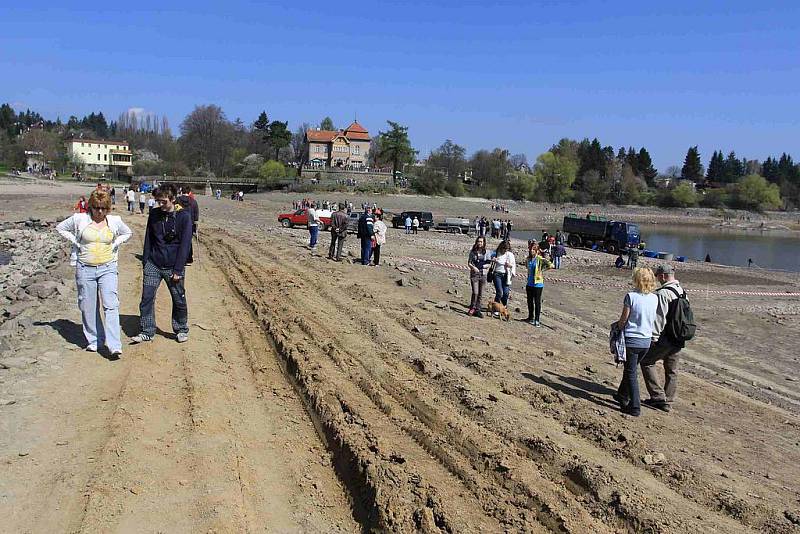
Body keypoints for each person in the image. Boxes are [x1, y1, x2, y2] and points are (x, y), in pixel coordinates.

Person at [56, 189, 132, 358]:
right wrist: (76, 241)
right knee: (88, 306)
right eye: (96, 208)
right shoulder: (79, 219)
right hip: (85, 268)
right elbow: (60, 228)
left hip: (108, 268)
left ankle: (114, 345)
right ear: (90, 207)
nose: (99, 212)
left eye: (103, 208)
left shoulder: (115, 221)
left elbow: (127, 233)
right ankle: (95, 340)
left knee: (111, 304)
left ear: (108, 209)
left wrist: (115, 243)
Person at [131, 185, 193, 344]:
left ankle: (181, 329)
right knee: (147, 297)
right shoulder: (154, 214)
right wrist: (146, 261)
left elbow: (185, 245)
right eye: (158, 201)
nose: (161, 205)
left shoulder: (184, 216)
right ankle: (147, 330)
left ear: (173, 199)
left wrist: (178, 269)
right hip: (154, 264)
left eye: (164, 202)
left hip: (173, 266)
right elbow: (148, 240)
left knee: (178, 298)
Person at [640, 264, 685, 412]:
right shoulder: (681, 291)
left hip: (665, 337)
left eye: (658, 276)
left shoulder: (663, 293)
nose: (657, 279)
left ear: (664, 276)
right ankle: (668, 400)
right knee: (672, 370)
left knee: (647, 361)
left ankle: (658, 397)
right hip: (679, 337)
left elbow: (660, 318)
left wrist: (653, 337)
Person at [614, 267, 659, 417]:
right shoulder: (654, 298)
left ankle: (635, 406)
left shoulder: (631, 296)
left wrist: (617, 328)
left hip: (632, 340)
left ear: (637, 280)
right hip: (646, 341)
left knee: (631, 372)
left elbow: (623, 320)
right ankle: (621, 394)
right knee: (630, 369)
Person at [524, 241, 554, 327]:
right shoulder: (528, 259)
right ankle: (530, 317)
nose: (531, 251)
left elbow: (551, 265)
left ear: (537, 251)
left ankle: (537, 320)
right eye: (531, 249)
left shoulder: (539, 259)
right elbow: (527, 267)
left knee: (537, 302)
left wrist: (543, 270)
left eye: (533, 249)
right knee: (529, 301)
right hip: (529, 283)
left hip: (538, 284)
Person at [490, 240, 516, 313]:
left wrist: (509, 265)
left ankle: (503, 308)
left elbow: (513, 264)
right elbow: (491, 257)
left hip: (506, 275)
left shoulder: (509, 254)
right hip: (497, 274)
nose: (505, 251)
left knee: (506, 293)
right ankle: (495, 308)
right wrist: (493, 259)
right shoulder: (496, 252)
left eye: (507, 249)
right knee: (500, 292)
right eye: (504, 249)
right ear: (501, 247)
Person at [467, 236, 489, 318]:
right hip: (474, 274)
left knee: (481, 293)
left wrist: (484, 266)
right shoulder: (473, 252)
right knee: (475, 292)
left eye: (481, 242)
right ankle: (472, 307)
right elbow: (469, 263)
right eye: (478, 241)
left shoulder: (486, 252)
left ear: (484, 243)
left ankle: (478, 309)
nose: (480, 243)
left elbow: (489, 263)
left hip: (483, 274)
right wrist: (474, 268)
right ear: (476, 242)